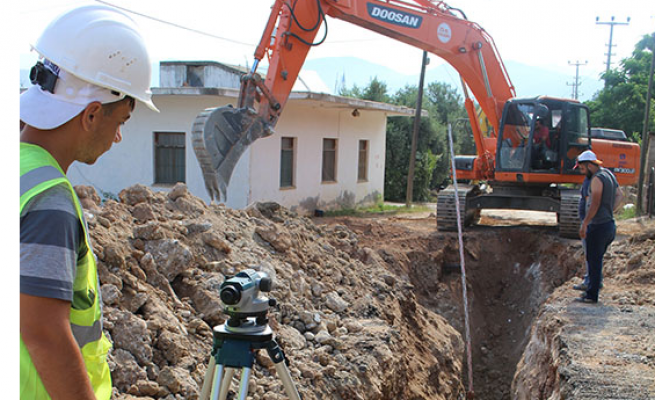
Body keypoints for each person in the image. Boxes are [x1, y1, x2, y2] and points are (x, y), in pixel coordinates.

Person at [20, 6, 158, 399]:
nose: (117, 138)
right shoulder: (48, 199)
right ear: (92, 114)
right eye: (121, 122)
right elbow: (43, 333)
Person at [575, 150, 623, 303]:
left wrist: (585, 223)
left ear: (589, 165)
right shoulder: (608, 175)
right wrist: (610, 211)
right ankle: (591, 290)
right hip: (609, 224)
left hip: (598, 227)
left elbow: (594, 203)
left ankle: (591, 295)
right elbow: (620, 195)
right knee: (596, 259)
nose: (583, 173)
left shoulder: (596, 179)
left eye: (582, 169)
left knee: (594, 260)